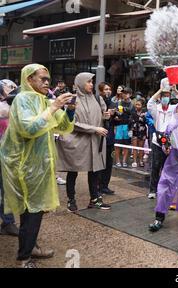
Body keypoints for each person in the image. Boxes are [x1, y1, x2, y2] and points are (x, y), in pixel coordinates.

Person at [0, 64, 75, 267]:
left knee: (34, 212)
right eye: (41, 78)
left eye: (48, 79)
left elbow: (64, 126)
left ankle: (30, 247)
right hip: (24, 167)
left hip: (39, 167)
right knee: (31, 213)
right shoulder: (23, 99)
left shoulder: (43, 100)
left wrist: (68, 111)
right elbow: (29, 128)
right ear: (28, 80)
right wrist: (53, 107)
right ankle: (24, 258)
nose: (46, 82)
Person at [56, 72, 111, 213]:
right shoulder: (72, 100)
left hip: (95, 141)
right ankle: (71, 200)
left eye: (92, 82)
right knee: (73, 171)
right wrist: (94, 128)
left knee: (94, 171)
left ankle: (95, 199)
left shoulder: (98, 99)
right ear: (80, 83)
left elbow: (102, 115)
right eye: (88, 82)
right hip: (78, 142)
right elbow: (71, 123)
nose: (91, 84)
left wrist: (106, 116)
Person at [148, 98, 178, 232]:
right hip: (172, 164)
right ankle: (159, 218)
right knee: (164, 189)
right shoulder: (171, 125)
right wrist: (166, 147)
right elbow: (165, 141)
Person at [147, 78, 178, 199]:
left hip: (171, 142)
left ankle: (168, 190)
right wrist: (160, 90)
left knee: (169, 168)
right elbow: (150, 103)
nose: (165, 97)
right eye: (164, 95)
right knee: (155, 166)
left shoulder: (174, 109)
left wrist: (175, 90)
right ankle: (153, 190)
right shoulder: (155, 109)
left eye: (168, 95)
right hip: (157, 141)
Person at [0, 80, 19, 236]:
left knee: (7, 190)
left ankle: (8, 221)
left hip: (8, 155)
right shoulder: (3, 108)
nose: (13, 90)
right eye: (9, 88)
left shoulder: (12, 106)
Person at [98, 82, 115, 195]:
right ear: (101, 91)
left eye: (109, 89)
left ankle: (105, 186)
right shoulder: (97, 102)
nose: (108, 91)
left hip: (110, 137)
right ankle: (98, 186)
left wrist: (115, 114)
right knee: (100, 163)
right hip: (100, 136)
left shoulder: (113, 103)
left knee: (109, 162)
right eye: (105, 89)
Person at [113, 87, 133, 168]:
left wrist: (123, 110)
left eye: (126, 93)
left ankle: (124, 161)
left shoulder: (132, 103)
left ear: (130, 94)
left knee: (126, 144)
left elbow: (130, 111)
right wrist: (116, 113)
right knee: (117, 144)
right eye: (123, 93)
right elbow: (118, 112)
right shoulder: (119, 102)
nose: (124, 94)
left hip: (128, 125)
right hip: (119, 125)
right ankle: (117, 160)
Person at [130, 99, 147, 168]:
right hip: (134, 131)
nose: (137, 106)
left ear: (142, 106)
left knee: (141, 147)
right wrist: (130, 129)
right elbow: (130, 121)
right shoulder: (133, 112)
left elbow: (146, 121)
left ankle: (141, 161)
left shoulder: (145, 113)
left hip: (142, 131)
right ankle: (134, 161)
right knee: (134, 147)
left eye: (139, 105)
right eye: (136, 104)